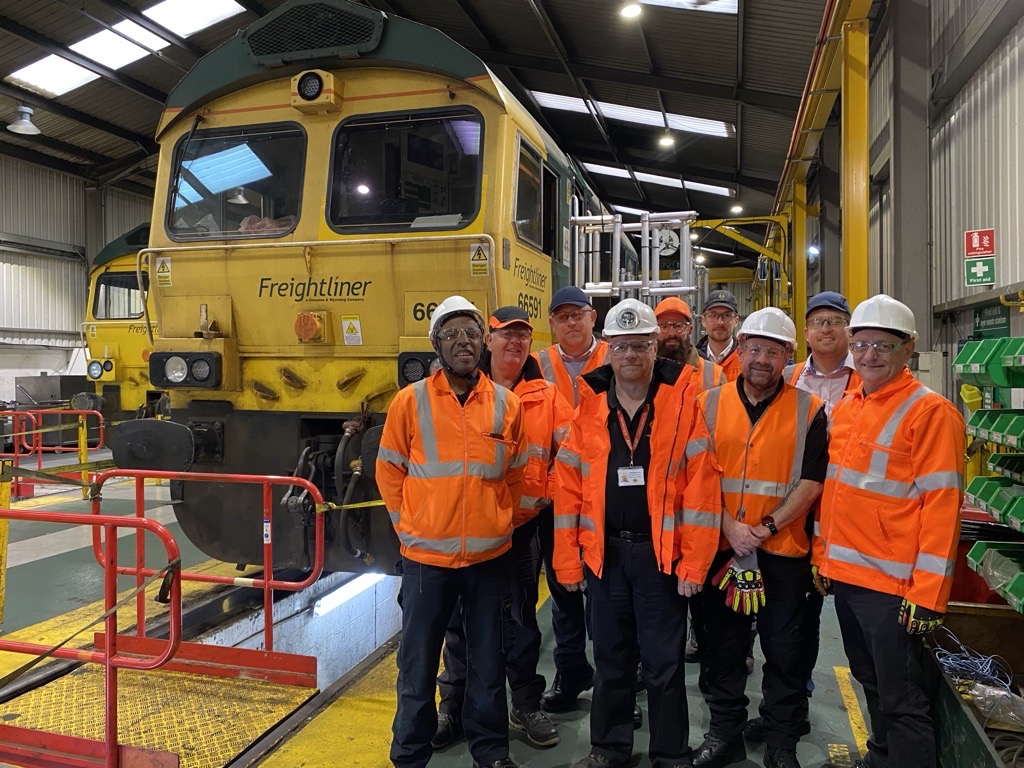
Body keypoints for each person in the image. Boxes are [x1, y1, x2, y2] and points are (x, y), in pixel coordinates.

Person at [554, 298, 722, 768]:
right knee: (610, 657)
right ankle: (609, 748)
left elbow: (703, 490)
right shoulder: (588, 405)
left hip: (660, 558)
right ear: (607, 349)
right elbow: (567, 491)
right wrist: (568, 560)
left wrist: (694, 563)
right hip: (604, 555)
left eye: (641, 346)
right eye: (622, 346)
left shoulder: (682, 401)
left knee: (664, 663)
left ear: (655, 348)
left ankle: (671, 753)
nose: (631, 355)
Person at [814, 294, 966, 768]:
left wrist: (927, 594)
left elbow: (943, 507)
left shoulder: (931, 413)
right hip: (849, 578)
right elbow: (835, 493)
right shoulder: (850, 405)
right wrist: (824, 558)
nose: (869, 355)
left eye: (883, 345)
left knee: (901, 698)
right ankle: (880, 756)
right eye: (861, 345)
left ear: (909, 349)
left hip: (895, 588)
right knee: (870, 678)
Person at [377, 295, 528, 768]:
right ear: (436, 345)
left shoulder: (507, 404)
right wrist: (410, 527)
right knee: (417, 666)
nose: (462, 342)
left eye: (470, 334)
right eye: (451, 334)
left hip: (488, 560)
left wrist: (500, 521)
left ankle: (491, 752)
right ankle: (409, 756)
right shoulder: (410, 401)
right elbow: (389, 471)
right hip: (426, 562)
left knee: (488, 663)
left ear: (484, 343)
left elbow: (517, 476)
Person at [434, 306, 572, 751]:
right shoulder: (466, 390)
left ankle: (526, 703)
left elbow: (572, 455)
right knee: (458, 621)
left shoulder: (547, 395)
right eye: (505, 335)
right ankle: (451, 707)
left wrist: (544, 493)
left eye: (523, 336)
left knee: (520, 621)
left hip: (521, 529)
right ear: (487, 340)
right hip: (463, 526)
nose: (514, 343)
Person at [694, 307, 828, 768]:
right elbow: (695, 476)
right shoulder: (708, 404)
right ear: (742, 348)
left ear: (789, 356)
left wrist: (766, 527)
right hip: (723, 549)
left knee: (785, 653)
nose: (762, 359)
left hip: (783, 555)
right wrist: (729, 526)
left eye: (773, 351)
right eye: (754, 348)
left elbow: (811, 482)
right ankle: (724, 734)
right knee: (724, 651)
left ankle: (780, 742)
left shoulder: (810, 408)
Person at [744, 291, 862, 743]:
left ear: (847, 329)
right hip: (790, 516)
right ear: (805, 334)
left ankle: (789, 707)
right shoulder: (787, 377)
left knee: (803, 621)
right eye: (817, 322)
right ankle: (793, 707)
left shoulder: (865, 378)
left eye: (835, 321)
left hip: (843, 513)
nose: (826, 329)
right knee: (788, 624)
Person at [534, 285, 608, 713]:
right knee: (563, 590)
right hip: (557, 494)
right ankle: (571, 671)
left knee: (608, 596)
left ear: (592, 317)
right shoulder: (538, 363)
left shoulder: (615, 353)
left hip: (604, 493)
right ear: (552, 324)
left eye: (577, 315)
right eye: (562, 317)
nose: (571, 323)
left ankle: (614, 683)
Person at [655, 296, 727, 390]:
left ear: (690, 330)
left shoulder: (714, 376)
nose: (671, 333)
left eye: (678, 326)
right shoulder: (643, 372)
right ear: (654, 331)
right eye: (664, 326)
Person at [696, 290, 742, 381]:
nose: (720, 322)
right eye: (713, 315)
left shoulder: (745, 360)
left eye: (726, 315)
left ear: (736, 321)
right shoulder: (693, 361)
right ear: (703, 320)